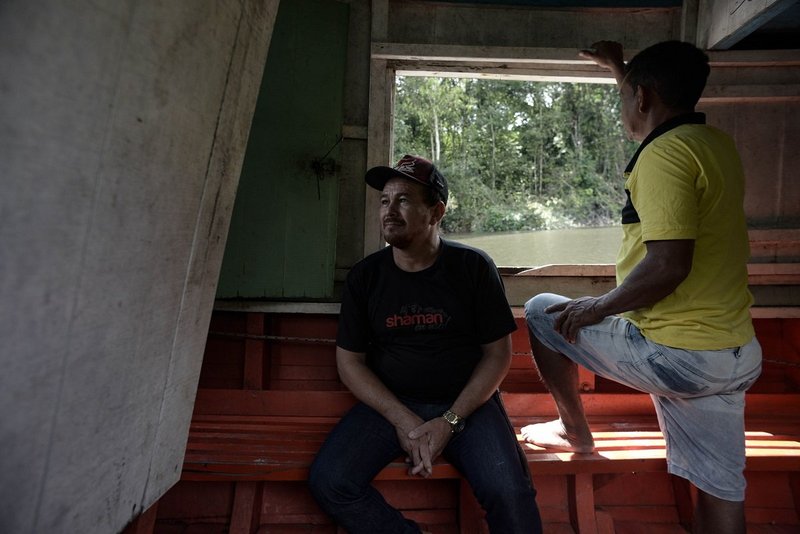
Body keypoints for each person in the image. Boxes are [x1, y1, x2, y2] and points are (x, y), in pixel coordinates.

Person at [521, 40, 762, 534]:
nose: (623, 108)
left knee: (543, 311)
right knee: (721, 495)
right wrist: (619, 69)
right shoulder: (713, 145)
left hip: (679, 356)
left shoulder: (663, 157)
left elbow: (669, 265)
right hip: (734, 354)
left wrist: (597, 308)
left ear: (645, 97)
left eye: (625, 96)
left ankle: (574, 430)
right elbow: (650, 112)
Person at [308, 154, 542, 533]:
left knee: (510, 493)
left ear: (435, 212)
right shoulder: (365, 278)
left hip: (468, 405)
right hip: (392, 403)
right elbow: (350, 362)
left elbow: (498, 355)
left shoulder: (472, 268)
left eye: (403, 200)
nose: (389, 210)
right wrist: (403, 418)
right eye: (385, 200)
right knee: (331, 481)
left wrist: (449, 421)